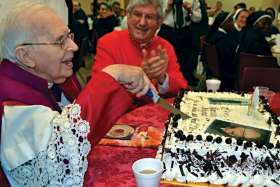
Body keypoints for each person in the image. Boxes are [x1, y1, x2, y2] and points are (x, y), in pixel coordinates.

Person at [0, 1, 153, 186]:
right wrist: (110, 76)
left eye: (69, 36)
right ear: (26, 56)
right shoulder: (9, 104)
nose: (74, 46)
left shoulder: (53, 77)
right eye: (60, 41)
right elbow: (62, 156)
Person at [92, 0, 188, 103]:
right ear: (128, 16)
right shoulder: (107, 43)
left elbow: (182, 88)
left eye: (149, 17)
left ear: (159, 22)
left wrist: (162, 78)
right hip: (120, 115)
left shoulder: (165, 47)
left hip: (158, 114)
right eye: (137, 14)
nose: (142, 23)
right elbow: (99, 89)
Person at [158, 0, 202, 86]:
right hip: (167, 31)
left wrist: (190, 10)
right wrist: (167, 8)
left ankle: (182, 86)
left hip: (185, 32)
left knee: (184, 62)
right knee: (166, 61)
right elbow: (156, 17)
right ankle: (167, 85)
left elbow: (198, 18)